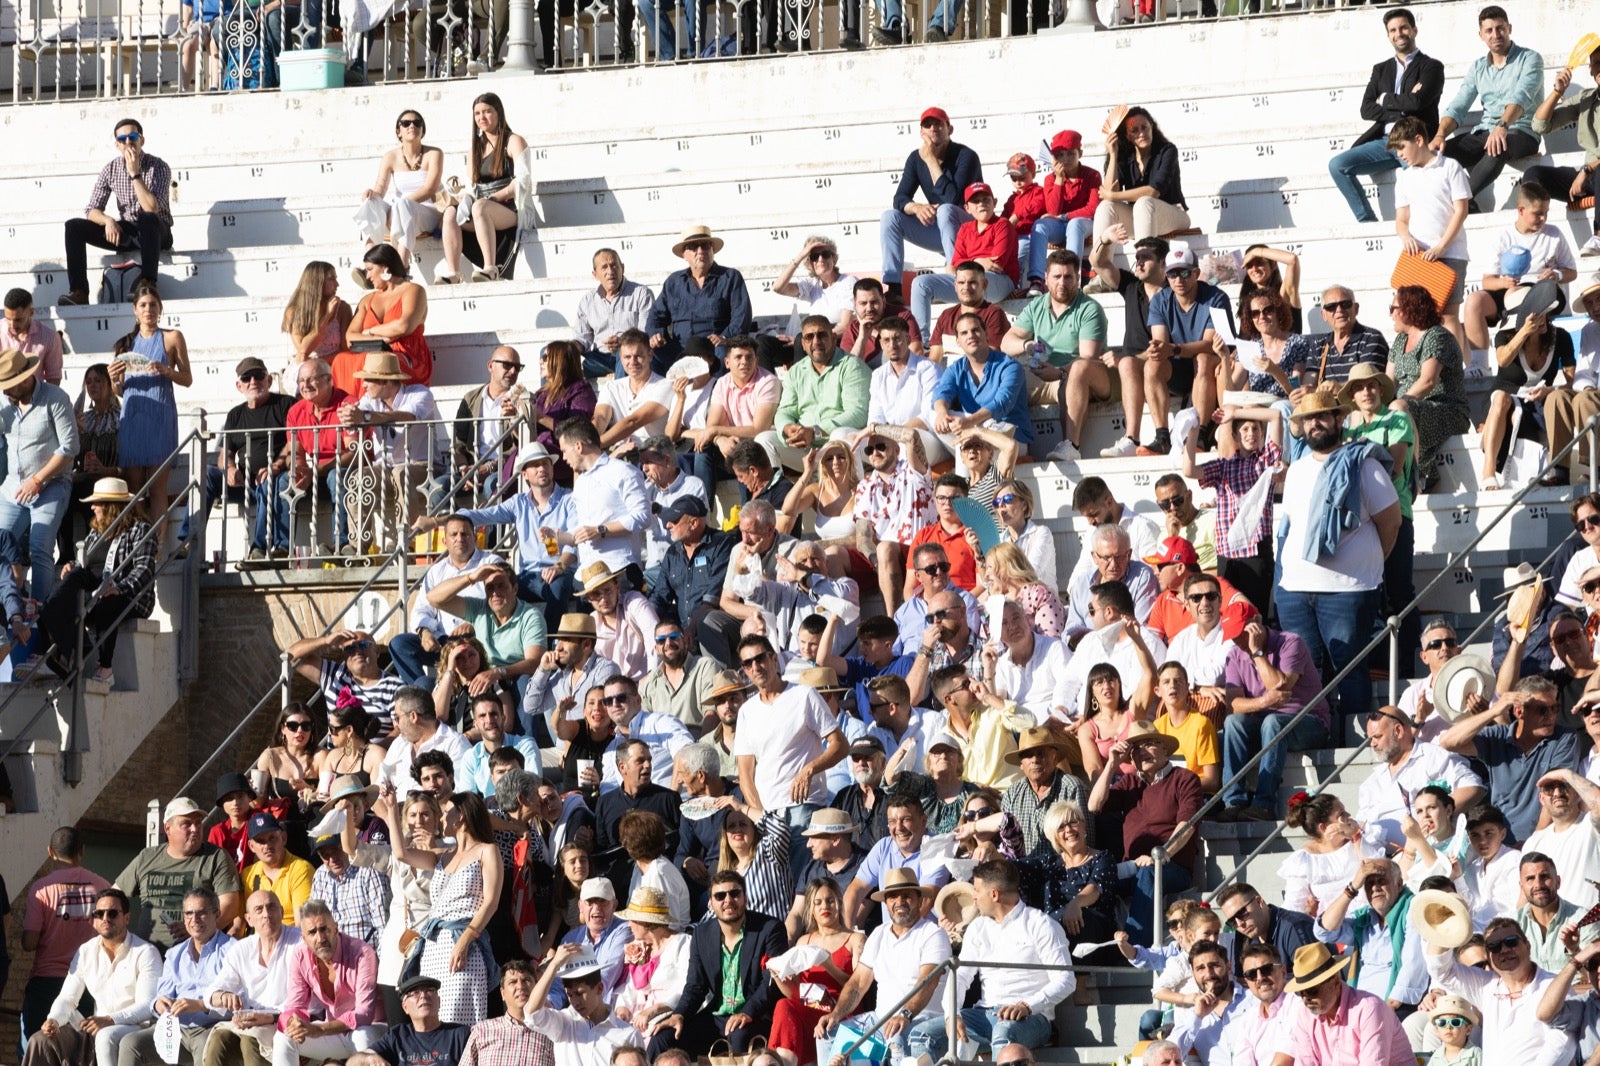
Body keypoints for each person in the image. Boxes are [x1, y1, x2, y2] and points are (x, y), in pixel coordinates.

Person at [1276, 390, 1400, 722]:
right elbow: (1290, 528)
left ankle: (1354, 743)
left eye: (1322, 416)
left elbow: (1391, 522)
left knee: (1350, 668)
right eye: (1308, 419)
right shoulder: (1297, 470)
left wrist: (1370, 565)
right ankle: (1321, 736)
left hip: (1348, 589)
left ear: (1338, 420)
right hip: (1296, 590)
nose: (1314, 423)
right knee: (1305, 671)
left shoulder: (1365, 465)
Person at [374, 785, 501, 1025]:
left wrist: (465, 941)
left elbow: (491, 902)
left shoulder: (487, 851)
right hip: (433, 947)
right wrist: (391, 808)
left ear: (461, 815)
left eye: (446, 812)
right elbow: (400, 853)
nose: (441, 817)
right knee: (434, 1019)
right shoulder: (443, 856)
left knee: (459, 1016)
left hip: (464, 943)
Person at [735, 634, 847, 872]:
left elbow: (840, 745)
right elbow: (745, 774)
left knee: (802, 888)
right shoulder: (746, 711)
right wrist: (762, 816)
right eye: (747, 663)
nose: (755, 667)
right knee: (775, 893)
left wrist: (809, 769)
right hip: (768, 813)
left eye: (759, 658)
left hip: (803, 808)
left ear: (774, 659)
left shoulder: (804, 695)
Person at [648, 869, 788, 1058]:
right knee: (662, 1039)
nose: (728, 900)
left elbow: (770, 984)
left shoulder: (770, 929)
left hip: (755, 1015)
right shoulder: (701, 934)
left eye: (734, 893)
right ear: (711, 903)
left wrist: (747, 1013)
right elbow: (695, 987)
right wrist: (679, 1015)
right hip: (717, 1018)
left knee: (738, 1036)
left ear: (745, 897)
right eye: (720, 896)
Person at [817, 867, 950, 1063]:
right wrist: (836, 1014)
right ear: (886, 903)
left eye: (907, 896)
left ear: (920, 900)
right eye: (893, 897)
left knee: (895, 1037)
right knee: (828, 1032)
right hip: (879, 1019)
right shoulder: (879, 933)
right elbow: (858, 983)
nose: (899, 902)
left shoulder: (933, 934)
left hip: (922, 1018)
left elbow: (928, 981)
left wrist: (904, 1014)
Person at [1088, 723, 1205, 944]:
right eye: (1136, 748)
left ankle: (1136, 948)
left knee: (1148, 873)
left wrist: (1157, 857)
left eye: (1150, 743)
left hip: (1171, 866)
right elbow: (1094, 806)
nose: (1142, 751)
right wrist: (1112, 763)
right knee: (1093, 878)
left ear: (1164, 749)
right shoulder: (1129, 782)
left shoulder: (1185, 779)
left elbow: (1186, 826)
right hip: (1131, 867)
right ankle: (1102, 949)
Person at [1328, 6, 1445, 223]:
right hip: (1384, 142)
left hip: (1415, 141)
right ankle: (1367, 221)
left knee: (1422, 182)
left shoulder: (1431, 67)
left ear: (1414, 30)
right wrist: (1403, 105)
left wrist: (1384, 99)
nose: (1398, 34)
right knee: (1338, 165)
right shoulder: (1381, 69)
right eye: (1393, 30)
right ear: (1388, 35)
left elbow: (1419, 102)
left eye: (1403, 28)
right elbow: (1366, 109)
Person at [35, 477, 155, 684]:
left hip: (129, 596)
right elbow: (86, 563)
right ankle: (61, 654)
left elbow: (144, 569)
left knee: (107, 604)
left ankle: (105, 667)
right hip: (97, 590)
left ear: (111, 507)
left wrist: (118, 588)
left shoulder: (141, 529)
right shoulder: (97, 531)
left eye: (97, 503)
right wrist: (72, 565)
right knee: (55, 599)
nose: (92, 507)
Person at [21, 887, 160, 1066]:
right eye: (99, 913)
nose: (105, 918)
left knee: (106, 1036)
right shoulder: (86, 950)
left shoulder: (146, 953)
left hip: (135, 1028)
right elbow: (68, 998)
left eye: (112, 913)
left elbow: (147, 1006)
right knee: (40, 1041)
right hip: (94, 1028)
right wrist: (54, 1019)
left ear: (126, 918)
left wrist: (111, 1019)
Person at [951, 858, 1074, 1053]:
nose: (973, 897)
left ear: (994, 894)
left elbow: (1066, 980)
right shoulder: (977, 927)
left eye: (977, 890)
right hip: (983, 1015)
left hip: (1032, 1018)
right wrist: (952, 1013)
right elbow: (961, 975)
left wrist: (1027, 1005)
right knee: (924, 1033)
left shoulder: (1041, 924)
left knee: (1003, 1033)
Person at [1000, 251, 1109, 463]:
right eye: (1057, 277)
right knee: (1007, 376)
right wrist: (1027, 344)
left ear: (1078, 279)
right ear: (1046, 278)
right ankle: (1016, 448)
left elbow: (1088, 358)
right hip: (1044, 374)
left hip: (1086, 377)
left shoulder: (1089, 309)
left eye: (1068, 277)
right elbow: (1006, 342)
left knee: (1076, 372)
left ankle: (1071, 446)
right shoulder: (1037, 305)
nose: (1062, 283)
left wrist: (1058, 372)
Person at [1438, 680, 1581, 842]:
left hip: (1543, 840)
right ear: (1519, 712)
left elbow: (1554, 792)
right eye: (1542, 710)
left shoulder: (1565, 737)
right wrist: (1493, 711)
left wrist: (1534, 843)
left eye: (1555, 708)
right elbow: (1447, 742)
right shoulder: (1498, 737)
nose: (1551, 716)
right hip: (1500, 843)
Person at [1431, 5, 1543, 209]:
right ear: (1481, 35)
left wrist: (1502, 125)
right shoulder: (1478, 67)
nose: (1495, 34)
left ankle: (1460, 203)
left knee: (1498, 144)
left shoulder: (1530, 59)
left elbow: (1521, 97)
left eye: (1500, 28)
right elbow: (1459, 105)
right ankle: (1469, 207)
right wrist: (1440, 135)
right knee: (1436, 157)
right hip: (1486, 131)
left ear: (1509, 28)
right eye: (1489, 30)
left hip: (1522, 131)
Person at [1424, 915, 1573, 1064]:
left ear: (1528, 945)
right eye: (1494, 946)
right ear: (1489, 957)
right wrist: (1445, 917)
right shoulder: (1485, 985)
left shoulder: (1556, 985)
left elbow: (1563, 1042)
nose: (1504, 950)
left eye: (1511, 942)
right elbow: (1440, 970)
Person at [60, 119, 172, 307]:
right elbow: (92, 209)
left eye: (132, 137)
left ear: (141, 140)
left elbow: (152, 208)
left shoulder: (158, 166)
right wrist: (107, 220)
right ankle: (79, 291)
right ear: (117, 144)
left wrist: (135, 174)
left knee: (147, 217)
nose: (128, 142)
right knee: (73, 227)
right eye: (122, 139)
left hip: (157, 231)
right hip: (127, 230)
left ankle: (148, 283)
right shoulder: (110, 169)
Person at [113, 886, 230, 1066]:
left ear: (217, 914)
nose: (194, 920)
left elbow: (239, 1004)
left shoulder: (233, 950)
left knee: (208, 1047)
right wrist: (159, 1004)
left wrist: (201, 1006)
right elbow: (160, 998)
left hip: (212, 1027)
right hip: (175, 1029)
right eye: (189, 914)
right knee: (130, 1044)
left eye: (202, 913)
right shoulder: (175, 953)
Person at [21, 828, 113, 1048]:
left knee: (36, 1048)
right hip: (90, 984)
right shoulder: (102, 887)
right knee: (84, 1051)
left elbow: (29, 943)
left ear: (50, 852)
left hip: (46, 982)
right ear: (82, 851)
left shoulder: (42, 889)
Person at [0, 347, 79, 600]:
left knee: (40, 547)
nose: (5, 391)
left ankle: (41, 613)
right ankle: (9, 606)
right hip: (14, 486)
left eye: (9, 385)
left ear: (25, 379)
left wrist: (37, 480)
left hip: (51, 485)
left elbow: (69, 448)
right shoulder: (5, 403)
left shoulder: (56, 398)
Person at [115, 797, 243, 953]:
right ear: (167, 829)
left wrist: (196, 929)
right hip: (147, 956)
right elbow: (114, 897)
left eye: (198, 823)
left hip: (195, 955)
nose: (195, 829)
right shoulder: (147, 857)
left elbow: (229, 905)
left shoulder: (215, 857)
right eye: (186, 824)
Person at [1183, 415, 1281, 616]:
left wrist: (1235, 410)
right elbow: (1189, 470)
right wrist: (1192, 431)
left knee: (1255, 614)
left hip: (1255, 551)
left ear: (1262, 433)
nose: (1251, 434)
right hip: (1227, 554)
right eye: (1245, 429)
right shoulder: (1224, 466)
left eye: (1255, 429)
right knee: (1228, 615)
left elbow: (1275, 415)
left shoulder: (1265, 461)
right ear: (1235, 435)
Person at [1390, 118, 1472, 356]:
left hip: (1451, 253)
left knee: (1448, 316)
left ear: (1418, 139)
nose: (1400, 154)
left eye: (1402, 147)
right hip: (1417, 258)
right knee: (1417, 318)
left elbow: (1461, 210)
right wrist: (1405, 236)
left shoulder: (1450, 167)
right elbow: (1401, 218)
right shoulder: (1403, 177)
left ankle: (1460, 370)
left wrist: (1441, 247)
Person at [271, 899, 385, 1066]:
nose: (320, 938)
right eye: (312, 932)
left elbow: (364, 1014)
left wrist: (320, 1029)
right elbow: (294, 1006)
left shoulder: (362, 952)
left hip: (373, 1030)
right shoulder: (300, 955)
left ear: (335, 928)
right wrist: (294, 1024)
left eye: (324, 929)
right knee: (283, 1036)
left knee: (362, 1034)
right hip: (335, 1033)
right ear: (304, 938)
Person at [879, 107, 981, 292]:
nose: (933, 128)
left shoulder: (967, 156)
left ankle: (954, 276)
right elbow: (900, 198)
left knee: (945, 210)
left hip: (969, 230)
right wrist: (916, 207)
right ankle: (893, 287)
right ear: (921, 132)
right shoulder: (915, 159)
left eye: (939, 124)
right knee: (890, 217)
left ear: (949, 129)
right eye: (928, 125)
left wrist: (931, 160)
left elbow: (952, 198)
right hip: (941, 230)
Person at [1086, 234, 1168, 457]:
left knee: (1128, 364)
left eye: (1146, 258)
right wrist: (1105, 239)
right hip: (1130, 367)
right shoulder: (1131, 285)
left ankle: (1132, 437)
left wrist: (1125, 359)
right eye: (1137, 257)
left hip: (1164, 367)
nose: (1139, 262)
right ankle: (1132, 439)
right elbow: (1098, 262)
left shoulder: (1175, 291)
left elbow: (1163, 347)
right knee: (1125, 365)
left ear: (1162, 263)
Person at [1357, 706, 1483, 850]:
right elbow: (1361, 826)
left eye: (1377, 737)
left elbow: (1473, 787)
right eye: (1370, 739)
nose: (1372, 744)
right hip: (1380, 860)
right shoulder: (1372, 782)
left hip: (1427, 855)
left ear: (1398, 731)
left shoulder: (1432, 757)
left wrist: (1433, 819)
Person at [1265, 942, 1412, 1066]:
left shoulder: (1369, 1009)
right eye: (1300, 992)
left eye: (1312, 990)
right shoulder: (1305, 1016)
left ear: (1335, 981)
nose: (1305, 998)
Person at [767, 877, 861, 1066]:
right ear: (811, 909)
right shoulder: (804, 942)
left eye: (830, 900)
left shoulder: (855, 939)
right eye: (817, 903)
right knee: (784, 1005)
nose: (824, 906)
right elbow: (796, 994)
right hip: (813, 1007)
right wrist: (778, 976)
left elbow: (858, 985)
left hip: (843, 1010)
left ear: (839, 904)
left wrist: (828, 965)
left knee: (785, 1007)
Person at [201, 889, 301, 1066]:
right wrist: (224, 997)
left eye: (271, 908)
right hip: (252, 1021)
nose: (266, 915)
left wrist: (271, 1017)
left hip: (287, 1020)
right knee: (219, 1037)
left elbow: (306, 1002)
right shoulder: (242, 949)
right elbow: (211, 993)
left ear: (282, 912)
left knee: (251, 1039)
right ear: (248, 919)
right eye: (259, 910)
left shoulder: (299, 943)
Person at [436, 94, 527, 285]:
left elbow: (522, 181)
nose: (482, 117)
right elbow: (471, 186)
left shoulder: (513, 141)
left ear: (498, 113)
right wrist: (462, 198)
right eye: (477, 113)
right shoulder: (475, 149)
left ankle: (490, 268)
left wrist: (493, 198)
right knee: (450, 213)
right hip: (482, 207)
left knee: (479, 207)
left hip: (510, 210)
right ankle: (454, 273)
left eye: (487, 111)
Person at [909, 185, 1018, 341]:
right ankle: (922, 343)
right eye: (976, 201)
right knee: (920, 283)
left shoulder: (1003, 225)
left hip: (999, 281)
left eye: (986, 200)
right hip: (970, 279)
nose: (981, 204)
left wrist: (968, 263)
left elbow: (997, 264)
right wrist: (977, 260)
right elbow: (956, 263)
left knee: (978, 279)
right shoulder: (965, 228)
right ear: (967, 208)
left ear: (994, 202)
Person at [1146, 245, 1232, 440]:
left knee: (1202, 358)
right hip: (1177, 368)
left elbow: (1211, 344)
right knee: (1152, 364)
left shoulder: (1217, 298)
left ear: (1197, 273)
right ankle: (1161, 436)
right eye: (1172, 274)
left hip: (1209, 368)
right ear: (1166, 276)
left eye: (1185, 273)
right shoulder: (1160, 300)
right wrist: (1161, 350)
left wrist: (1173, 349)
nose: (1179, 280)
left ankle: (1200, 433)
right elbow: (1160, 344)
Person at [765, 315, 870, 471]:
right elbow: (785, 410)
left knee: (839, 436)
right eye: (809, 337)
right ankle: (775, 493)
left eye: (821, 335)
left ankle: (851, 492)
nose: (816, 342)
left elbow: (858, 414)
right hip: (806, 448)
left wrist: (815, 432)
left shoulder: (852, 366)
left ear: (834, 339)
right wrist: (788, 429)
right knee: (764, 440)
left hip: (840, 445)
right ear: (803, 343)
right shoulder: (796, 371)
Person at [646, 226, 754, 371]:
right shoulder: (674, 282)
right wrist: (655, 334)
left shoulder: (730, 277)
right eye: (693, 247)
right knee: (647, 354)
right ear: (684, 254)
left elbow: (742, 317)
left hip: (714, 347)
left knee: (725, 354)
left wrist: (725, 337)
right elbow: (655, 316)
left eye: (705, 245)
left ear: (712, 250)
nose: (700, 251)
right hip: (680, 348)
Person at [1527, 45, 1600, 258]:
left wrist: (1586, 171)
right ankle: (1535, 237)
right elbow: (1540, 125)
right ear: (1590, 70)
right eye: (1596, 63)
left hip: (1593, 172)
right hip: (1589, 175)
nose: (1599, 68)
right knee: (1534, 176)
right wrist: (1558, 90)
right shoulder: (1586, 99)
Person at [333, 244, 432, 397]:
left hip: (407, 355)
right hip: (373, 351)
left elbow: (404, 326)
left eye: (370, 269)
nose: (367, 276)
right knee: (341, 359)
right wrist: (382, 338)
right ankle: (348, 408)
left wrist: (369, 331)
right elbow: (350, 337)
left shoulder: (413, 290)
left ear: (385, 267)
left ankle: (364, 412)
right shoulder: (367, 299)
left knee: (370, 360)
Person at [527, 942, 643, 1066]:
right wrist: (554, 965)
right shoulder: (564, 1022)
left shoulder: (628, 1035)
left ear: (599, 988)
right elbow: (531, 1012)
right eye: (570, 995)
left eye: (580, 993)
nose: (575, 1002)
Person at [357, 110, 443, 275]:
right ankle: (369, 262)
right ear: (398, 131)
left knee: (402, 204)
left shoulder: (434, 154)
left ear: (422, 130)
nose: (412, 125)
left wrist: (397, 208)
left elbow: (429, 189)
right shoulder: (390, 156)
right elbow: (381, 188)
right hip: (400, 212)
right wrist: (371, 194)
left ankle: (402, 266)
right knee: (370, 203)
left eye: (417, 123)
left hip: (428, 213)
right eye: (406, 123)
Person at [932, 313, 1032, 455]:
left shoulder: (1010, 366)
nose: (971, 335)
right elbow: (942, 392)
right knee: (934, 415)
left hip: (1009, 436)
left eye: (975, 330)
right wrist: (942, 413)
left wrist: (970, 422)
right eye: (964, 333)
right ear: (958, 341)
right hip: (973, 431)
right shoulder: (956, 368)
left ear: (986, 334)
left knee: (971, 441)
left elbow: (1001, 403)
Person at [1094, 107, 1190, 244]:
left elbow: (1153, 192)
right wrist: (1113, 154)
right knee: (1106, 207)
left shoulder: (1167, 150)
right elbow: (1110, 191)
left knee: (1144, 202)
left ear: (1152, 126)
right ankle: (1100, 263)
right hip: (1140, 217)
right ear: (1127, 135)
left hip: (1174, 214)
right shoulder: (1125, 157)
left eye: (1144, 127)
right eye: (1135, 130)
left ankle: (1145, 260)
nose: (1141, 133)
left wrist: (1113, 196)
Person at [285, 630, 405, 735]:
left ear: (377, 651)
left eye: (363, 645)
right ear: (344, 656)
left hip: (375, 757)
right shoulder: (334, 675)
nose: (357, 652)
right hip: (337, 757)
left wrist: (367, 753)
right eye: (350, 648)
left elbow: (401, 729)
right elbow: (290, 656)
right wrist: (325, 641)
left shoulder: (395, 686)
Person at [530, 608, 621, 745]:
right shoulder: (562, 673)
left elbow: (600, 720)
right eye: (558, 640)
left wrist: (569, 749)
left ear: (586, 645)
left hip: (591, 749)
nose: (558, 647)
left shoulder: (606, 669)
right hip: (564, 750)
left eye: (565, 640)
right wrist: (543, 670)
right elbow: (532, 707)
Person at [1522, 769, 1600, 907]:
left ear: (1577, 793)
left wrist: (1567, 774)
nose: (1557, 793)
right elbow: (1524, 898)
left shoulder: (1592, 825)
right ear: (1541, 799)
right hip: (1554, 926)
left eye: (1564, 785)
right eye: (1549, 789)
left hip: (1591, 924)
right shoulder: (1533, 842)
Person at [1215, 943, 1290, 1066]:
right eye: (1252, 974)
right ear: (1247, 982)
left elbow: (1284, 1060)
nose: (1260, 978)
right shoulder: (1249, 1019)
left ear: (1283, 972)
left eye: (1266, 969)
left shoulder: (1297, 1006)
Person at [773, 236, 858, 335]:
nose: (820, 259)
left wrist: (808, 339)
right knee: (765, 342)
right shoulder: (813, 285)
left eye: (825, 255)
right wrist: (801, 256)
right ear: (809, 264)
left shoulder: (848, 282)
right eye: (815, 257)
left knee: (799, 342)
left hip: (836, 341)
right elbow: (778, 288)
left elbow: (845, 327)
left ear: (834, 259)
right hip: (815, 340)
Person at [1313, 286, 1392, 384]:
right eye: (1331, 307)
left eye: (1345, 304)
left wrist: (1337, 388)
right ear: (1323, 315)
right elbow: (1309, 381)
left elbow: (1367, 382)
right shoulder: (1319, 345)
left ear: (1356, 308)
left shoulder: (1371, 338)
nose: (1339, 310)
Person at [2, 288, 63, 386]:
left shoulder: (50, 337)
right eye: (8, 319)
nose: (12, 325)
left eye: (18, 320)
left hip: (35, 398)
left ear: (31, 312)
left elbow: (53, 378)